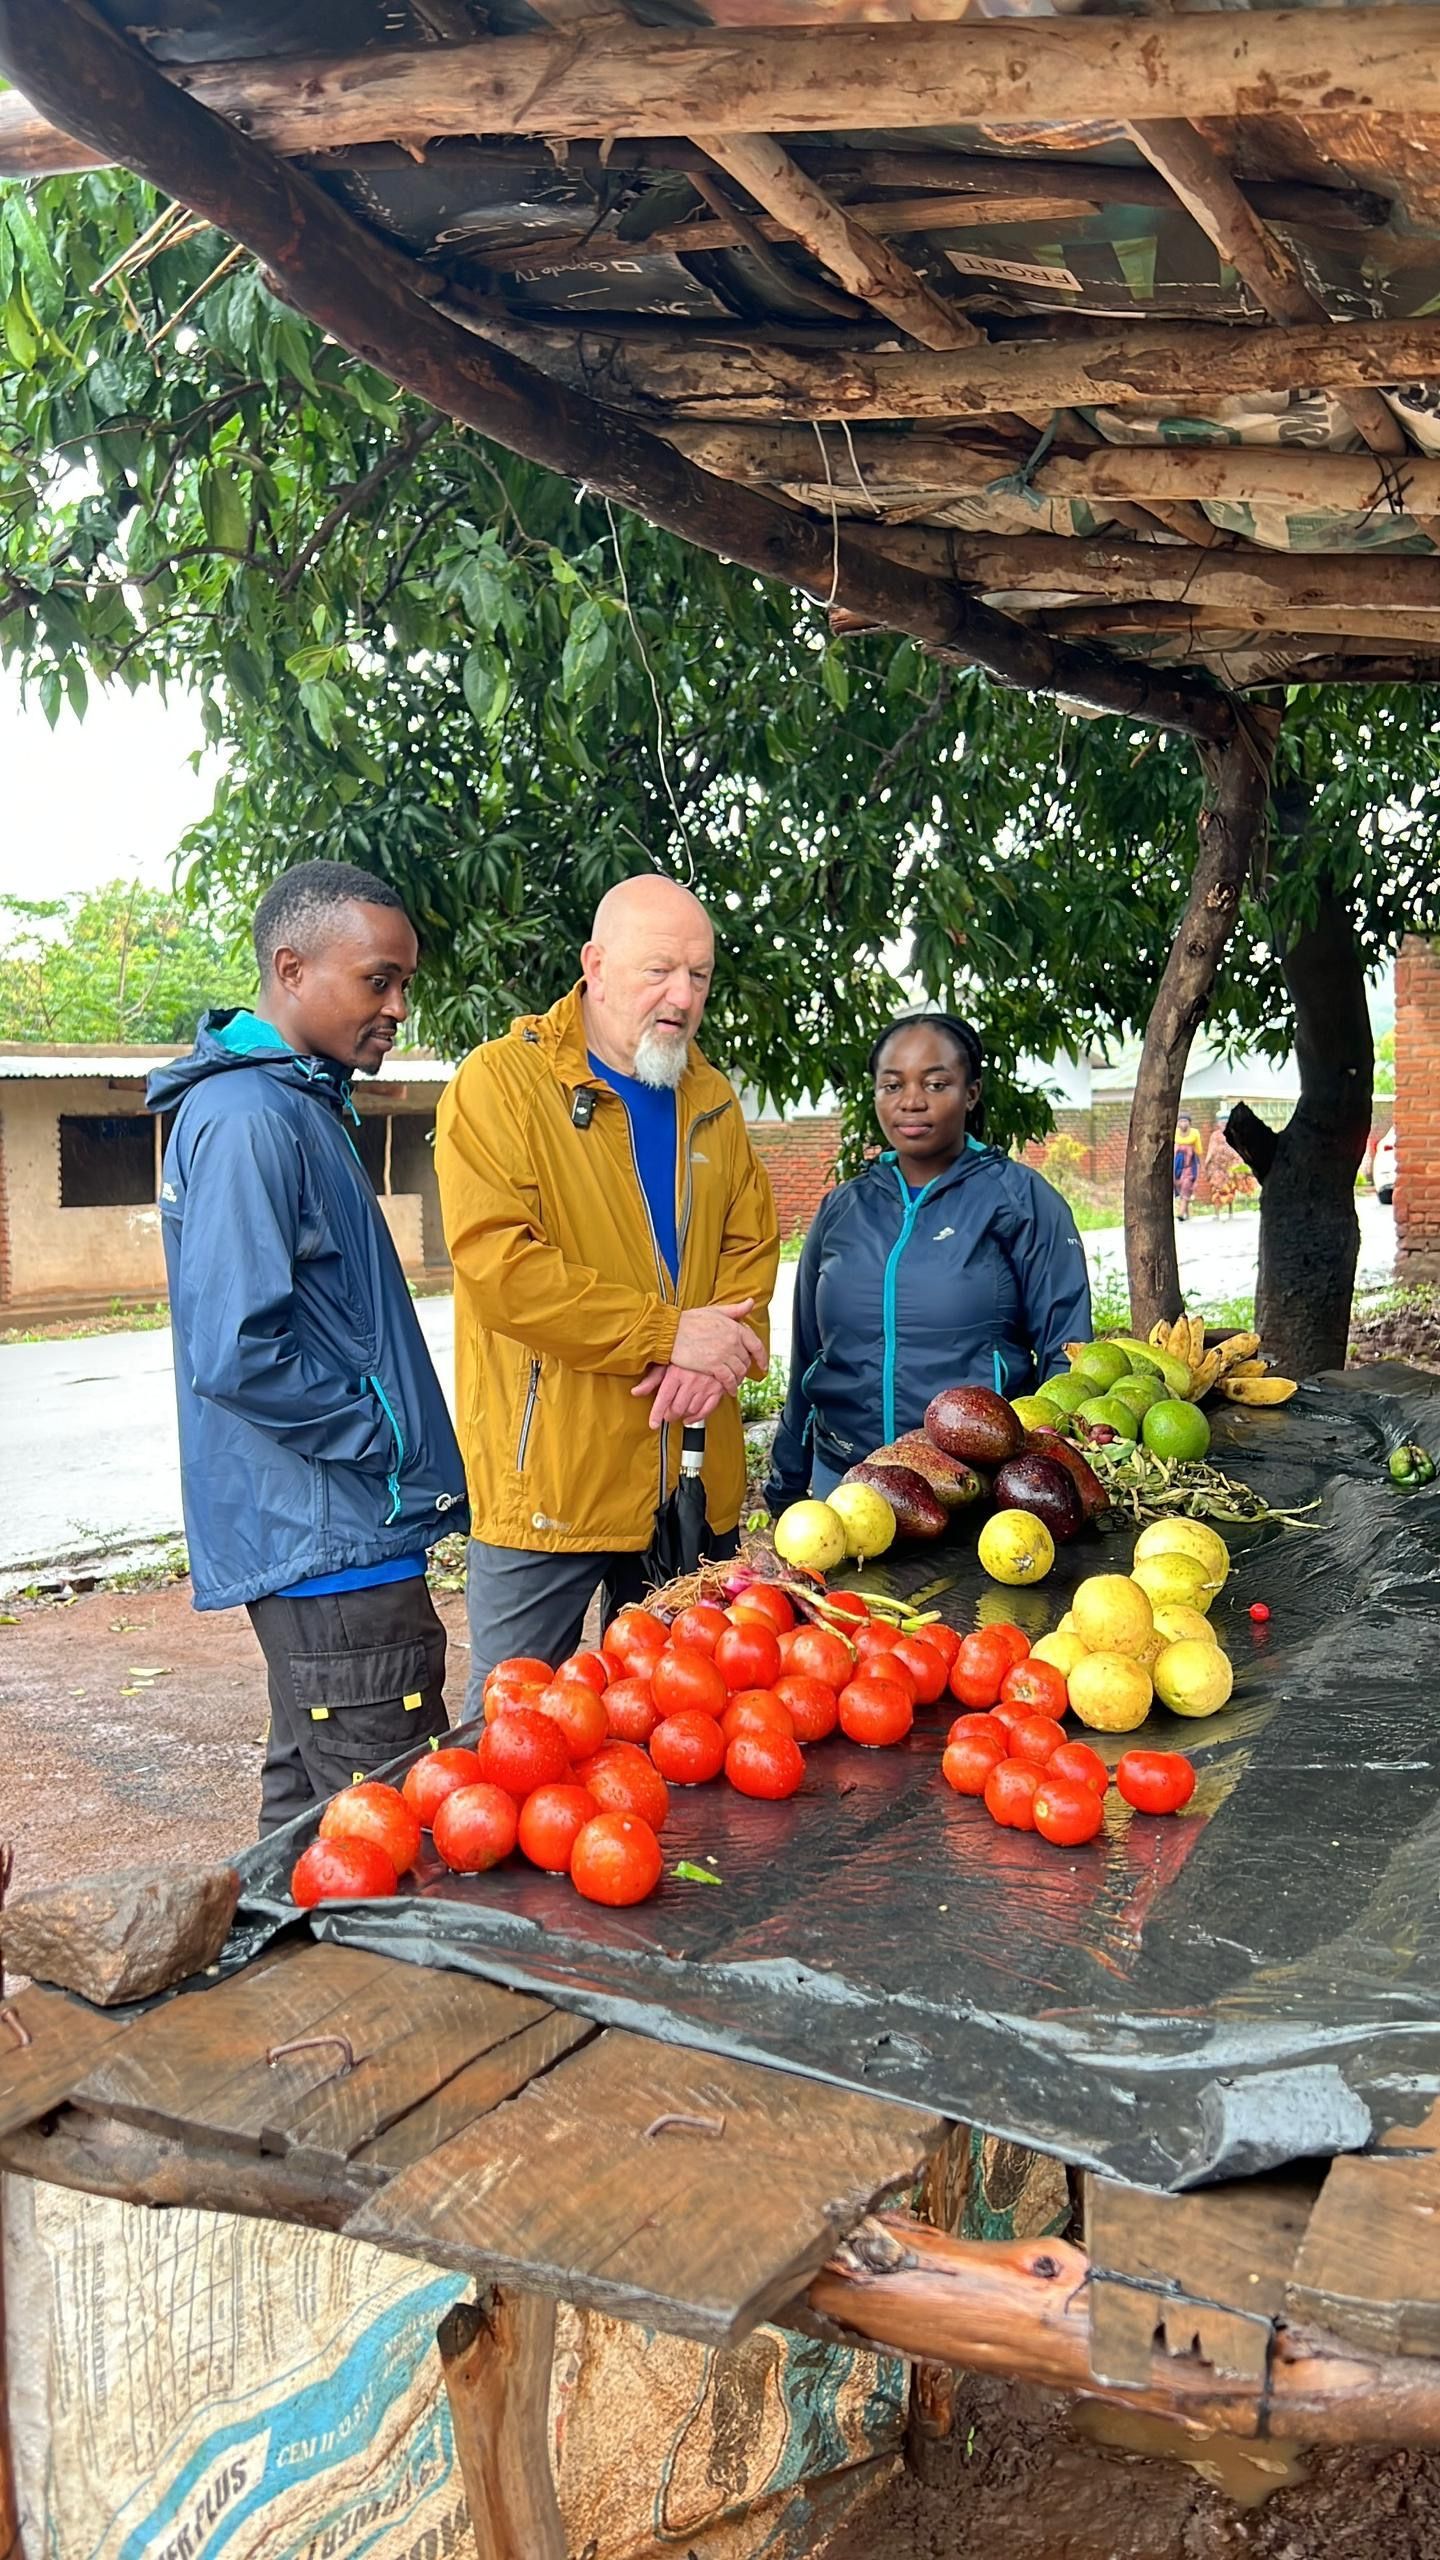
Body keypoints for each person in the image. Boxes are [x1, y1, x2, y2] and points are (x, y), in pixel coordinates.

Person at [147, 861, 469, 1834]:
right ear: (292, 968)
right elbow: (239, 1348)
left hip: (332, 1532)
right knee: (399, 1832)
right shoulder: (251, 1118)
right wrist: (380, 1440)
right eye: (379, 980)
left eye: (404, 982)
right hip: (334, 1538)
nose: (399, 1007)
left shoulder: (295, 1103)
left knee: (312, 1822)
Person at [435, 874, 779, 1698]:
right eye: (658, 970)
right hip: (549, 1485)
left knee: (683, 1721)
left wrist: (711, 1355)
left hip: (688, 1477)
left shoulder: (712, 1099)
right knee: (520, 1733)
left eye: (699, 976)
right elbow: (501, 1271)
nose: (681, 995)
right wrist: (668, 1335)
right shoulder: (499, 1086)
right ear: (593, 964)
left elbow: (752, 1247)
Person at [766, 1013, 1092, 1505]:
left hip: (972, 1489)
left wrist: (1049, 1479)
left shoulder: (1021, 1200)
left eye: (936, 1083)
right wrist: (787, 1482)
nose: (911, 1101)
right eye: (892, 1085)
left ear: (972, 1092)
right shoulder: (844, 1208)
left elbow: (1067, 1360)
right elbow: (808, 1352)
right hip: (846, 1481)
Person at [1202, 1103, 1256, 1216]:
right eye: (1221, 1122)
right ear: (1218, 1123)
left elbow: (1239, 1150)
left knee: (1231, 1189)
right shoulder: (1215, 1136)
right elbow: (1212, 1151)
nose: (1224, 1124)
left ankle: (1231, 1211)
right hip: (1217, 1169)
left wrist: (1241, 1163)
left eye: (1226, 1121)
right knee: (1217, 1189)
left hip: (1231, 1167)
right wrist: (1208, 1166)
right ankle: (1217, 1213)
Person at [1173, 1111, 1201, 1221]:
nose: (1183, 1124)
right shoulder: (1175, 1137)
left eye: (1185, 1121)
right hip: (1177, 1168)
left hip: (1188, 1168)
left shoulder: (1194, 1135)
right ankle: (1187, 1214)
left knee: (1185, 1188)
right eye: (1181, 1121)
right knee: (1182, 1190)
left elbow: (1198, 1152)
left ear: (1189, 1123)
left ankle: (1180, 1214)